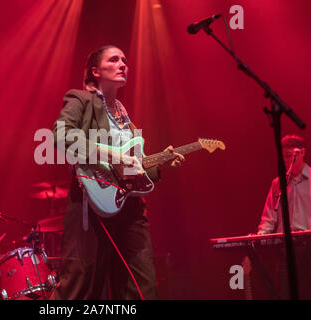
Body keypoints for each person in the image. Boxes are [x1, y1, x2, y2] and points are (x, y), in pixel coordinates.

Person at [51, 45, 185, 300]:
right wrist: (111, 154)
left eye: (124, 60)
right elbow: (61, 136)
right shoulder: (81, 99)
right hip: (91, 202)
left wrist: (158, 164)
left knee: (142, 287)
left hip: (130, 208)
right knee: (80, 285)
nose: (123, 64)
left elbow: (132, 166)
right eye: (114, 59)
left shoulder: (124, 115)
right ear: (95, 70)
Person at [255, 134, 311, 299]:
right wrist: (259, 237)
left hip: (310, 246)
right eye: (284, 157)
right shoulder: (278, 183)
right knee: (285, 294)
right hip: (285, 248)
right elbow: (269, 216)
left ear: (302, 153)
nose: (286, 161)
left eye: (290, 156)